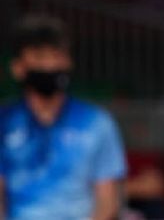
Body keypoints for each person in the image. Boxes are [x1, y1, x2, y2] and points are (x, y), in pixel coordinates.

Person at [0, 14, 126, 220]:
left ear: (68, 62)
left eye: (57, 56)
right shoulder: (4, 123)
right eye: (40, 57)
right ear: (18, 68)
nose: (50, 66)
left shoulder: (97, 122)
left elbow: (107, 200)